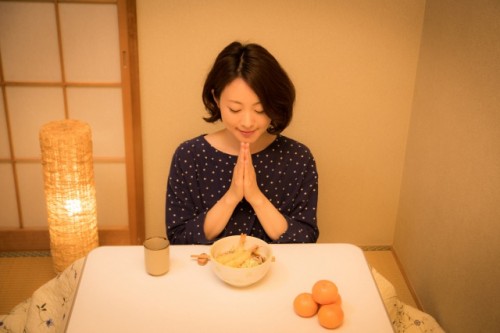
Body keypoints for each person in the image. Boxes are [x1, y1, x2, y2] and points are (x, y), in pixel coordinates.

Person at [165, 41, 319, 244]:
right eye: (235, 109)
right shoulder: (189, 155)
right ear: (217, 99)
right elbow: (179, 239)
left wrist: (256, 197)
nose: (247, 122)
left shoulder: (298, 157)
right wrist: (232, 196)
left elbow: (306, 240)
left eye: (260, 110)